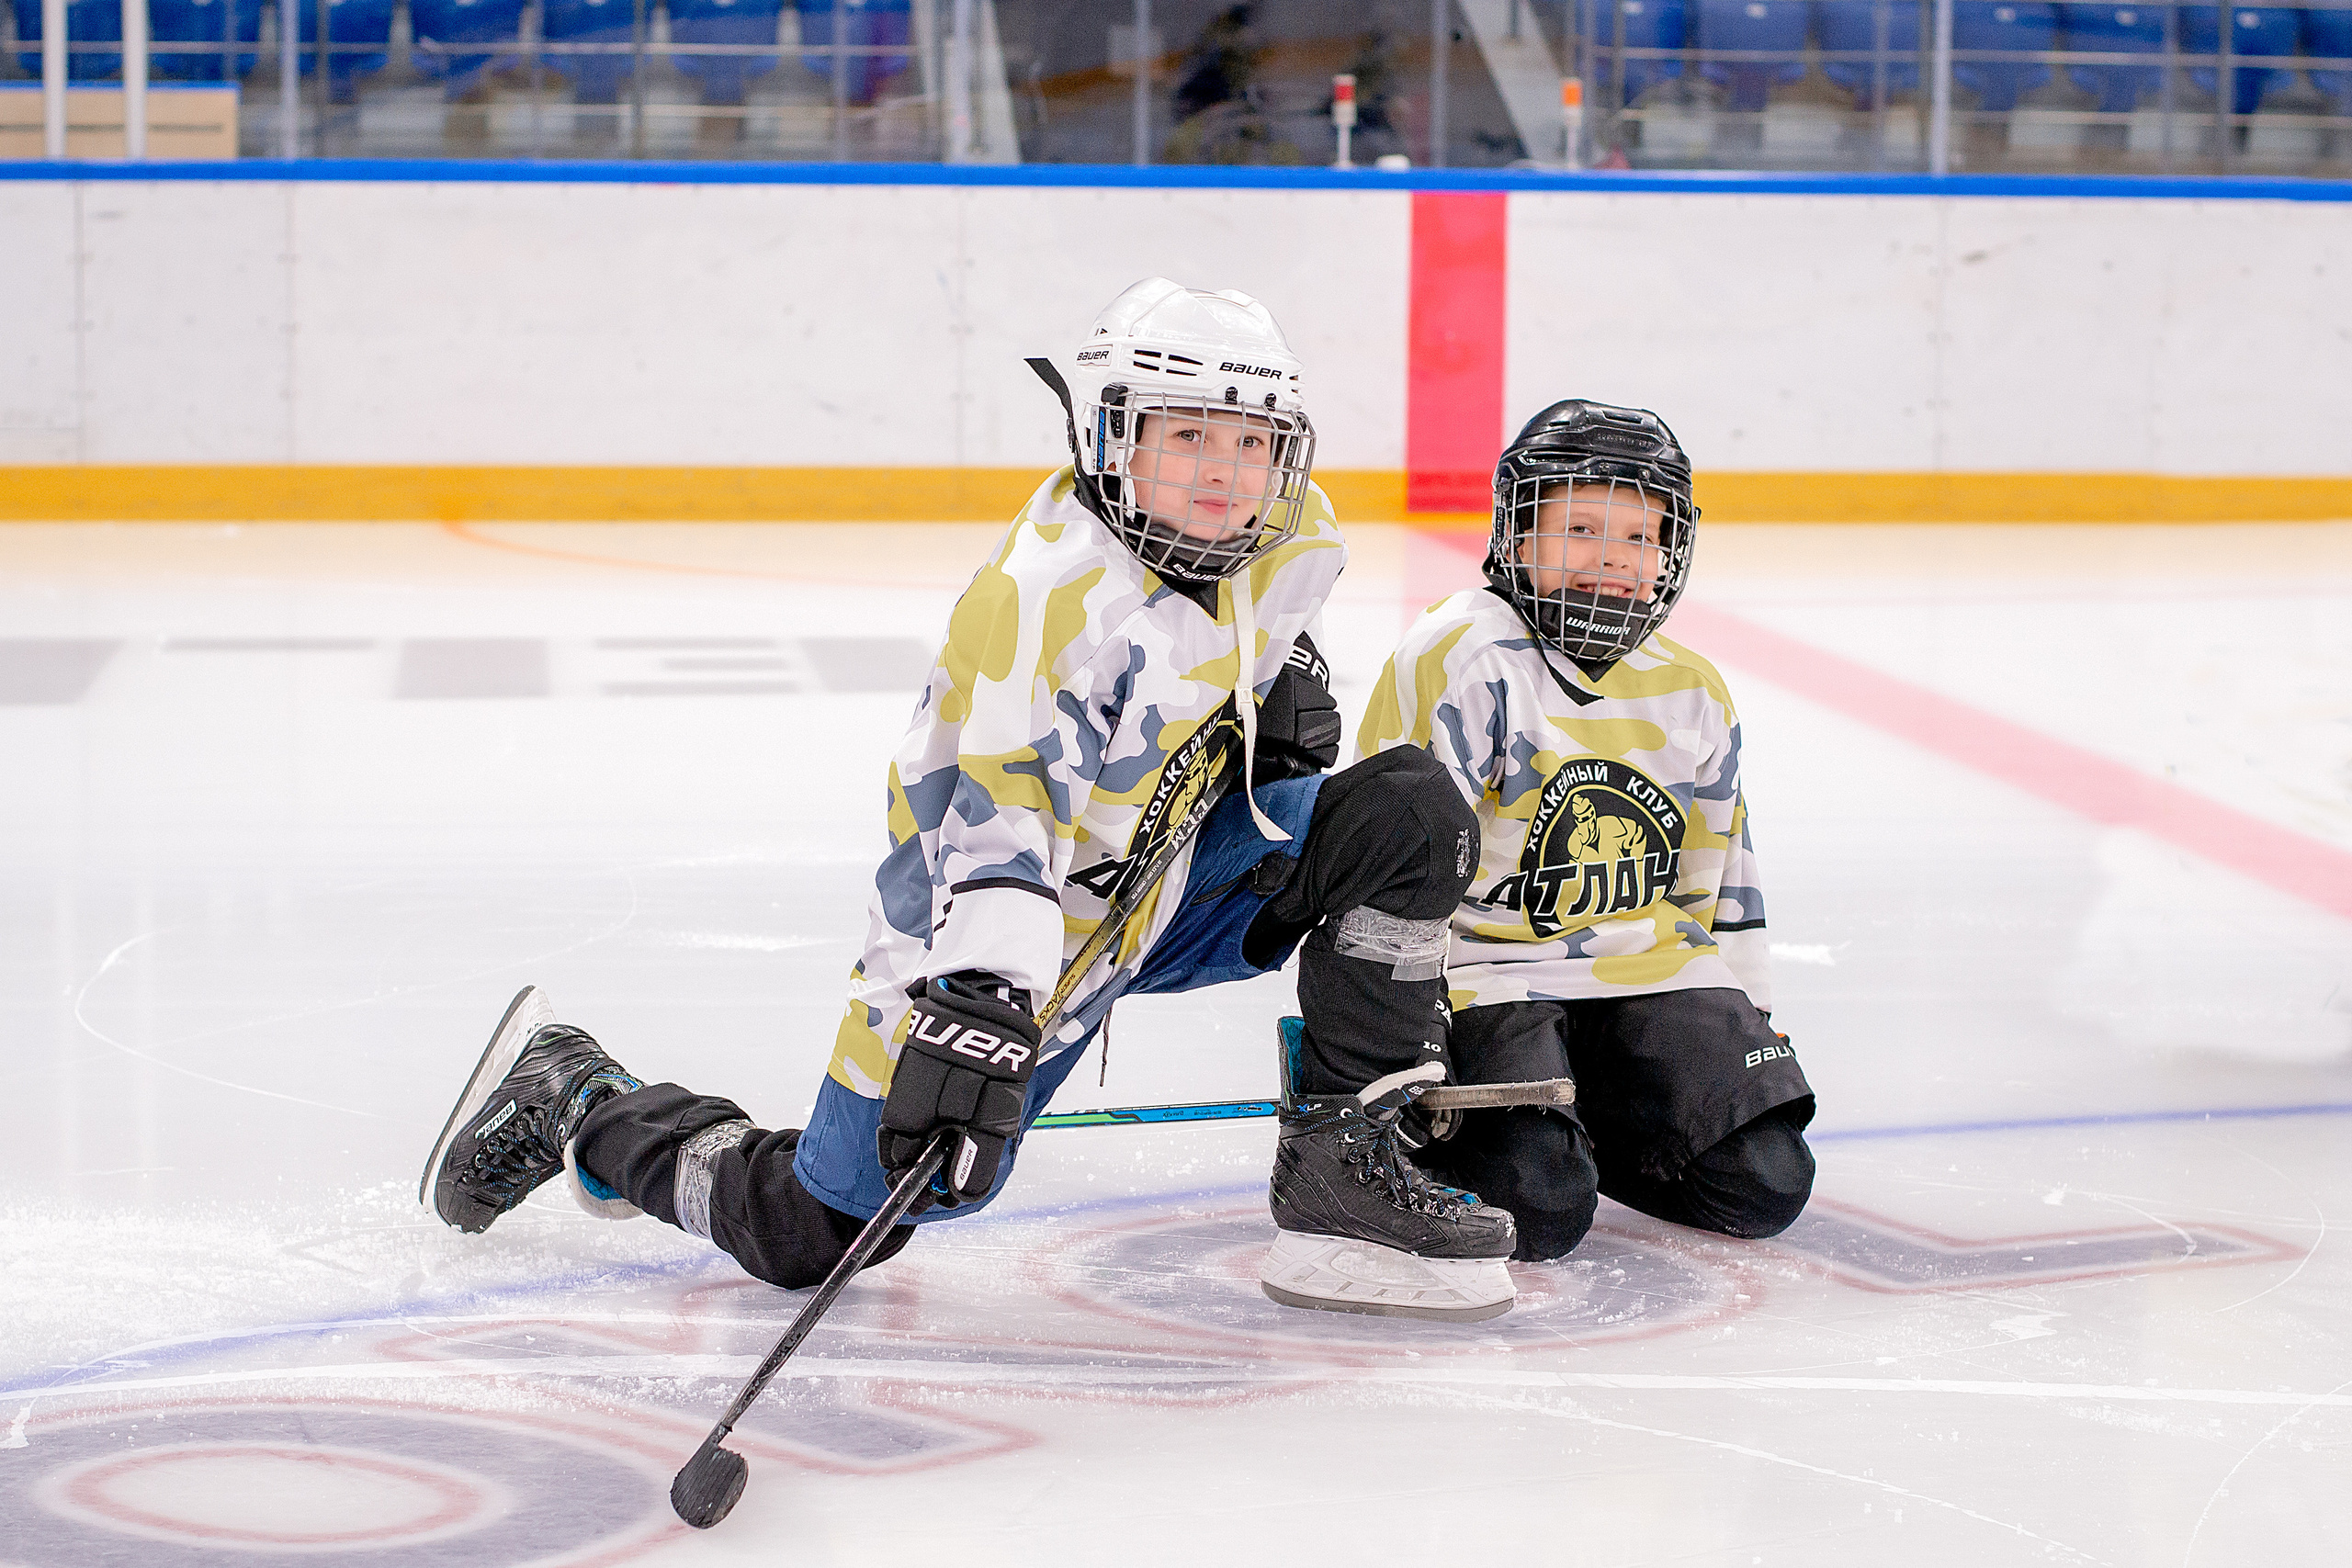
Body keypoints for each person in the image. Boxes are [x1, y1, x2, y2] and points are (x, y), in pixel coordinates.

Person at [421, 277, 1522, 1324]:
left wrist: (1276, 712)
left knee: (1405, 810)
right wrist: (983, 1000)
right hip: (996, 937)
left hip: (1171, 879)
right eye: (1186, 436)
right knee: (819, 1235)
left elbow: (1246, 647)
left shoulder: (1291, 537)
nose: (1225, 471)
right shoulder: (1042, 610)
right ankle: (590, 1101)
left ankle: (1345, 1150)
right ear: (1108, 436)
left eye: (1249, 440)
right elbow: (993, 823)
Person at [1354, 399, 1816, 1263]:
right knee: (1537, 1212)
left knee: (1764, 1185)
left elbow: (1719, 865)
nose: (1612, 559)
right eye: (1580, 528)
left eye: (1641, 538)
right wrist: (1389, 1039)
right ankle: (1545, 1133)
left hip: (1645, 968)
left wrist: (1745, 1011)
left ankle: (1580, 1111)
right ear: (1516, 534)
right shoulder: (1464, 652)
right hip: (1487, 974)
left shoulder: (1690, 685)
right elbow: (1391, 863)